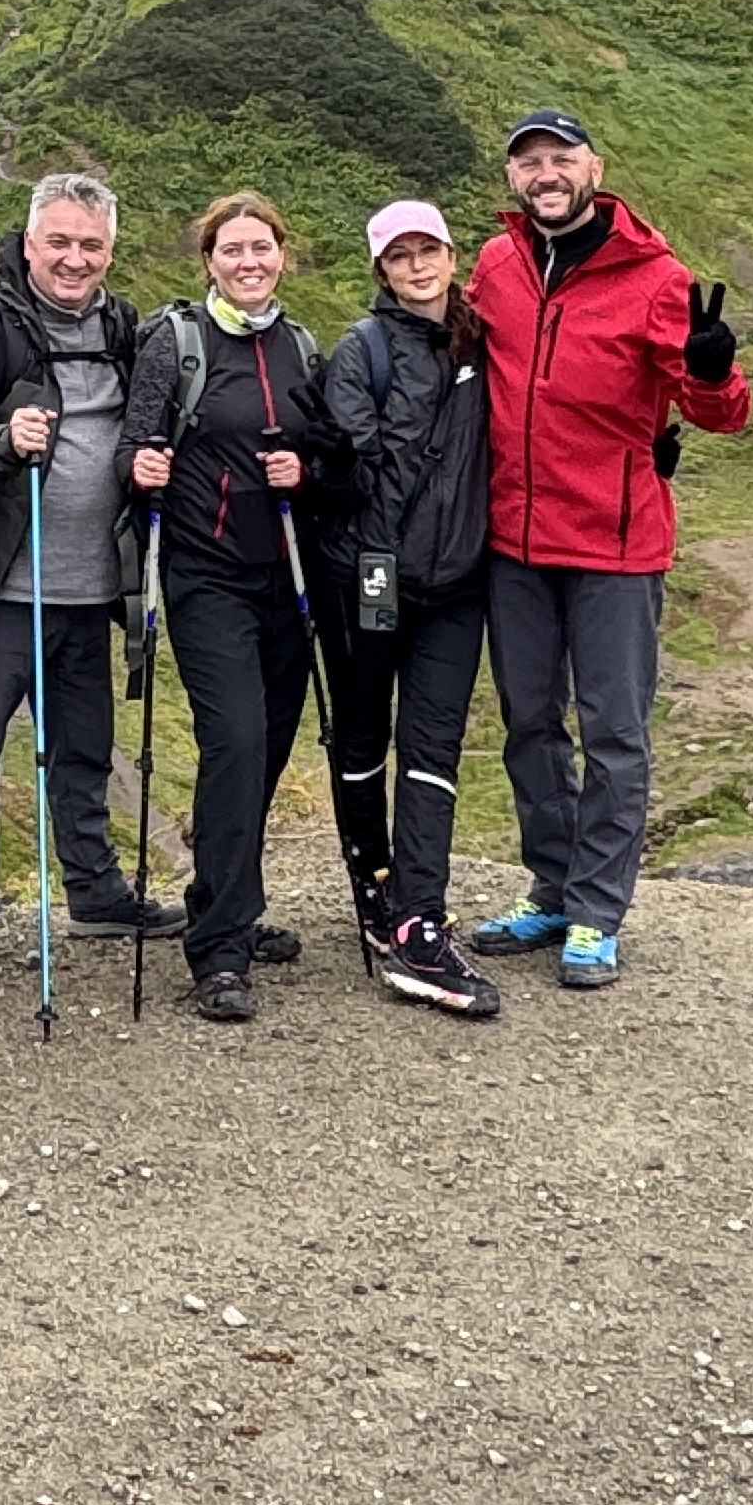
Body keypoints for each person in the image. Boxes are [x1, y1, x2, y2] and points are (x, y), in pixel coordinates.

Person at [462, 111, 749, 987]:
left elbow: (720, 415)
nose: (545, 175)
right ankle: (551, 887)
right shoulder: (495, 265)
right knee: (530, 724)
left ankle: (597, 912)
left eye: (561, 160)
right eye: (530, 163)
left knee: (615, 734)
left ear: (595, 169)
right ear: (514, 180)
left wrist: (707, 369)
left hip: (617, 545)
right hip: (513, 537)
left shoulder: (658, 277)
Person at [0, 172, 185, 973]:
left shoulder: (123, 324)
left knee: (85, 750)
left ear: (111, 250)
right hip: (1, 587)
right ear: (28, 242)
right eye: (58, 241)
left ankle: (93, 893)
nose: (73, 259)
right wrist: (2, 441)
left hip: (91, 586)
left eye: (90, 245)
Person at [120, 191, 351, 1023]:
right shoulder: (175, 342)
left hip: (284, 584)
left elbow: (325, 461)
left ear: (281, 254)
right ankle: (218, 951)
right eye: (232, 250)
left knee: (268, 750)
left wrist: (310, 475)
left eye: (261, 248)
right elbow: (133, 443)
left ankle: (229, 904)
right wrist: (139, 468)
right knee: (237, 741)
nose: (248, 262)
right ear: (209, 261)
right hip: (204, 576)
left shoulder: (299, 346)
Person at [322, 199, 505, 1017]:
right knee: (361, 737)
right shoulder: (360, 352)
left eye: (428, 250)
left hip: (459, 584)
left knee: (433, 748)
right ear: (381, 270)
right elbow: (349, 467)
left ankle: (415, 921)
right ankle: (374, 886)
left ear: (451, 254)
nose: (417, 266)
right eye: (400, 256)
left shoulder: (489, 344)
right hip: (374, 579)